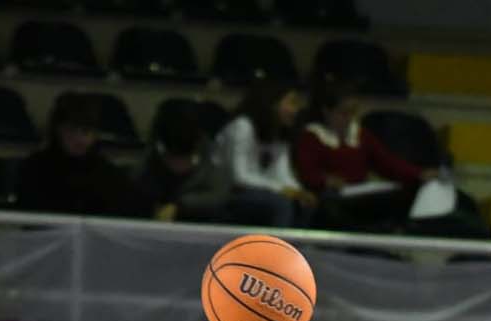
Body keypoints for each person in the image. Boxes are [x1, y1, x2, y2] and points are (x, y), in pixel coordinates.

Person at [293, 79, 433, 232]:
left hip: (360, 195)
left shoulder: (360, 134)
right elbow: (307, 173)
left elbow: (387, 163)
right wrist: (325, 180)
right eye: (344, 112)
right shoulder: (312, 136)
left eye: (353, 112)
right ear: (327, 111)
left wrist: (418, 174)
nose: (349, 118)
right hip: (330, 198)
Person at [16, 91, 153, 218]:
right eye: (71, 130)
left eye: (86, 131)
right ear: (57, 130)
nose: (79, 139)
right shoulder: (34, 169)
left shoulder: (107, 174)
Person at [211, 81, 313, 227]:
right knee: (280, 204)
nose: (296, 110)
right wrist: (283, 190)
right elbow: (240, 177)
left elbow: (282, 173)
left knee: (305, 202)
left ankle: (298, 248)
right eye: (292, 103)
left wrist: (299, 192)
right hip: (227, 191)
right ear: (272, 103)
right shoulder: (242, 126)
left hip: (261, 191)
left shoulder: (279, 132)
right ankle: (276, 249)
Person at [141, 97, 232, 223]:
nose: (180, 129)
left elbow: (219, 195)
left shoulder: (211, 160)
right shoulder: (149, 161)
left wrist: (181, 205)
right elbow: (137, 192)